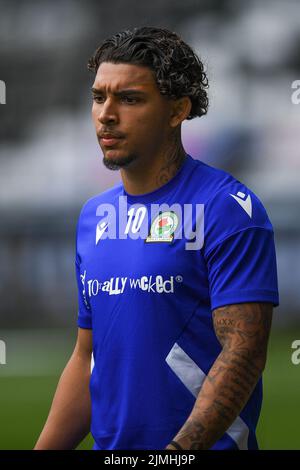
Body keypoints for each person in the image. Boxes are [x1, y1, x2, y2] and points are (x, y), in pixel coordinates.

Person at [35, 26, 279, 451]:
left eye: (129, 99)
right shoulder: (95, 216)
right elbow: (86, 357)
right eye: (99, 97)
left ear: (177, 110)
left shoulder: (228, 208)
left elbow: (243, 353)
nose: (106, 114)